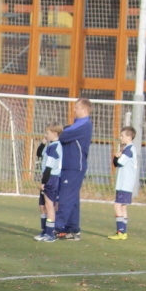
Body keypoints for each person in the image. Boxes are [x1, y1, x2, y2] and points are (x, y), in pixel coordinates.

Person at [54, 98, 92, 240]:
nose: (74, 110)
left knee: (65, 197)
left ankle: (56, 228)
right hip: (69, 165)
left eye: (76, 108)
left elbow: (63, 135)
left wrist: (55, 132)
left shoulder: (84, 125)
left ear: (84, 109)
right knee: (73, 199)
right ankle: (73, 230)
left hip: (74, 166)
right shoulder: (77, 125)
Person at [36, 124, 63, 241]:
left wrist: (43, 182)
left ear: (55, 134)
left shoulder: (55, 147)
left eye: (47, 133)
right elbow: (38, 154)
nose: (45, 135)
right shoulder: (50, 146)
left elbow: (49, 168)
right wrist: (43, 143)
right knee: (42, 206)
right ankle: (44, 231)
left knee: (49, 206)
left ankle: (50, 234)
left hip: (51, 178)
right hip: (47, 177)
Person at [110, 125, 138, 240]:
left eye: (122, 136)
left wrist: (117, 156)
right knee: (123, 207)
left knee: (117, 205)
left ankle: (120, 232)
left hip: (124, 183)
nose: (120, 137)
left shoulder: (129, 149)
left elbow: (119, 162)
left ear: (129, 137)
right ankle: (124, 232)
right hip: (126, 183)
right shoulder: (129, 149)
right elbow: (117, 163)